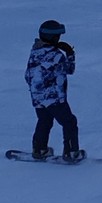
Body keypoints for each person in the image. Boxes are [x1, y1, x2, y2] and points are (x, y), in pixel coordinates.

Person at [25, 19, 84, 162]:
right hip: (54, 97)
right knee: (69, 122)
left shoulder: (35, 52)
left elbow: (28, 75)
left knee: (44, 120)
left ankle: (39, 149)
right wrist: (69, 52)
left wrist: (37, 90)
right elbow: (70, 69)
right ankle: (71, 152)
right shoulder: (56, 55)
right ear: (53, 37)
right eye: (58, 36)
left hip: (37, 97)